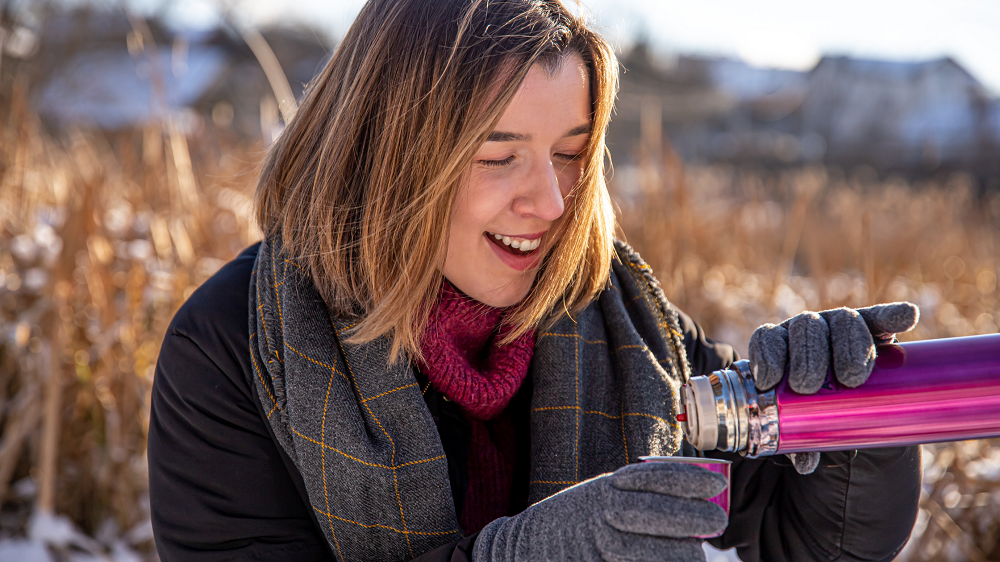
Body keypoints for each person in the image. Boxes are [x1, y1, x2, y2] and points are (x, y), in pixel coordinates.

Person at [147, 1, 922, 561]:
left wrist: (851, 427)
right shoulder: (237, 350)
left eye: (571, 154)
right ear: (386, 154)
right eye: (497, 155)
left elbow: (806, 541)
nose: (551, 203)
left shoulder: (628, 325)